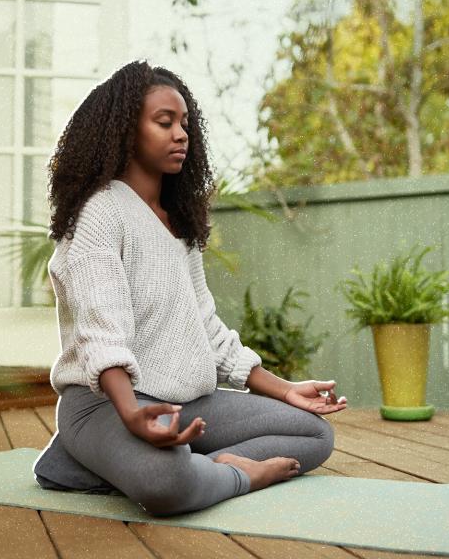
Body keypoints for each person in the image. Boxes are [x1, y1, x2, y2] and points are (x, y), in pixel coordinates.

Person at [32, 59, 348, 517]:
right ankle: (231, 473)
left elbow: (207, 330)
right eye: (164, 122)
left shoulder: (178, 224)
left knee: (314, 434)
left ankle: (114, 466)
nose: (181, 133)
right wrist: (130, 414)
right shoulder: (98, 213)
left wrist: (284, 390)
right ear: (124, 130)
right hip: (104, 404)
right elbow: (100, 335)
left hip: (186, 401)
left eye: (184, 124)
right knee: (167, 481)